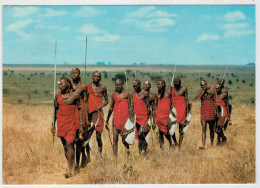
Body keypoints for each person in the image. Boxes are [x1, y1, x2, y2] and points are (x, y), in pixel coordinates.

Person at [52, 77, 83, 178]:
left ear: (68, 84)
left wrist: (81, 125)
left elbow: (80, 109)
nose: (59, 85)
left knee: (70, 144)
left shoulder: (75, 95)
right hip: (61, 123)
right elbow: (55, 110)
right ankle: (72, 163)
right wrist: (53, 123)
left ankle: (69, 169)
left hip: (71, 123)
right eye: (59, 83)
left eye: (62, 83)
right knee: (65, 146)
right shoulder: (57, 95)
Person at [106, 79, 131, 157]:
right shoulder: (114, 94)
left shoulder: (127, 94)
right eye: (116, 84)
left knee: (124, 140)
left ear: (122, 84)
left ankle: (128, 154)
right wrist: (107, 120)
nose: (118, 86)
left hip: (125, 120)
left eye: (119, 84)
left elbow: (130, 107)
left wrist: (131, 119)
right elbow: (111, 108)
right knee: (115, 140)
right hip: (116, 120)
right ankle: (115, 158)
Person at [70, 68, 89, 169]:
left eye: (75, 73)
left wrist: (86, 118)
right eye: (72, 73)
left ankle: (78, 163)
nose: (73, 74)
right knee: (71, 139)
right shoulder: (68, 85)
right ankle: (72, 163)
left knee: (79, 139)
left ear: (79, 75)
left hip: (81, 111)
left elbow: (85, 102)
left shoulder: (83, 86)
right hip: (71, 110)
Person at [86, 71, 108, 156]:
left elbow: (107, 100)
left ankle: (100, 154)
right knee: (88, 134)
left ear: (100, 78)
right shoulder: (88, 86)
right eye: (95, 76)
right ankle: (87, 154)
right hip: (89, 113)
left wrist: (101, 106)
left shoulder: (103, 87)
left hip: (99, 113)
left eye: (98, 76)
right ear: (92, 77)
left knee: (98, 135)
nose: (96, 78)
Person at [195, 80, 217, 149]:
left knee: (211, 129)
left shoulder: (212, 92)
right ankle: (203, 145)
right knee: (203, 128)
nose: (203, 86)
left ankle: (212, 143)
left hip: (211, 111)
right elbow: (196, 97)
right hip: (204, 112)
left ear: (207, 85)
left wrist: (217, 112)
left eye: (204, 85)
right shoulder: (201, 91)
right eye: (201, 85)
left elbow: (215, 101)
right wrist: (202, 91)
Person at [154, 80, 174, 148]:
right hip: (159, 115)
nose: (158, 85)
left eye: (160, 84)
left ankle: (171, 143)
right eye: (157, 84)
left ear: (164, 84)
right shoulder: (156, 93)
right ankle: (161, 147)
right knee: (160, 132)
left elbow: (171, 104)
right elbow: (156, 105)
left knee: (166, 131)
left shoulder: (168, 93)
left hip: (166, 114)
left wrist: (171, 114)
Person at [132, 79, 150, 154]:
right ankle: (141, 152)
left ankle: (145, 145)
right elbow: (132, 104)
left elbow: (148, 105)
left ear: (140, 85)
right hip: (137, 116)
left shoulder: (145, 93)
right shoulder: (133, 93)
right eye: (134, 86)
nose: (135, 88)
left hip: (144, 116)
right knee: (139, 136)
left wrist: (149, 116)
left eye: (136, 86)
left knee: (140, 133)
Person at [171, 77, 189, 149]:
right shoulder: (171, 89)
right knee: (171, 127)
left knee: (181, 128)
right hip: (174, 109)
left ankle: (180, 145)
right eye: (175, 84)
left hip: (182, 109)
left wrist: (187, 110)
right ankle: (175, 142)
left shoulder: (184, 89)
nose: (176, 86)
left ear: (180, 83)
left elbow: (187, 99)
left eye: (177, 84)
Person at [213, 77, 231, 145]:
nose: (218, 83)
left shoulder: (224, 90)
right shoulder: (215, 89)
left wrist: (229, 116)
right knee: (215, 127)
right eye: (218, 81)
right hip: (215, 109)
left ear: (223, 83)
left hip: (222, 110)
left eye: (220, 82)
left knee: (219, 126)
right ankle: (222, 139)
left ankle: (220, 140)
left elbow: (224, 101)